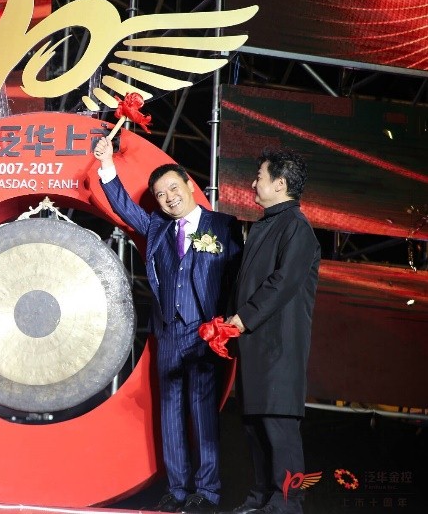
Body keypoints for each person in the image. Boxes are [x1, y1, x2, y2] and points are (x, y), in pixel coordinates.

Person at [93, 137, 242, 514]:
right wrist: (107, 165)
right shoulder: (158, 226)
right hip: (169, 332)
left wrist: (230, 322)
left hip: (206, 332)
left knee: (202, 411)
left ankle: (207, 491)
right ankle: (177, 490)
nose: (169, 198)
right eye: (160, 194)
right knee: (171, 412)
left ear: (189, 185)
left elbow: (237, 278)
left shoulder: (223, 226)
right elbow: (125, 207)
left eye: (174, 188)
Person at [226, 149, 320, 514]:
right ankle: (262, 496)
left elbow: (283, 283)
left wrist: (244, 317)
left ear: (280, 184)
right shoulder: (267, 224)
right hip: (255, 343)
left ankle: (287, 501)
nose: (254, 183)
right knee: (255, 423)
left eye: (260, 177)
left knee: (278, 424)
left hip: (279, 346)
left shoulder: (296, 226)